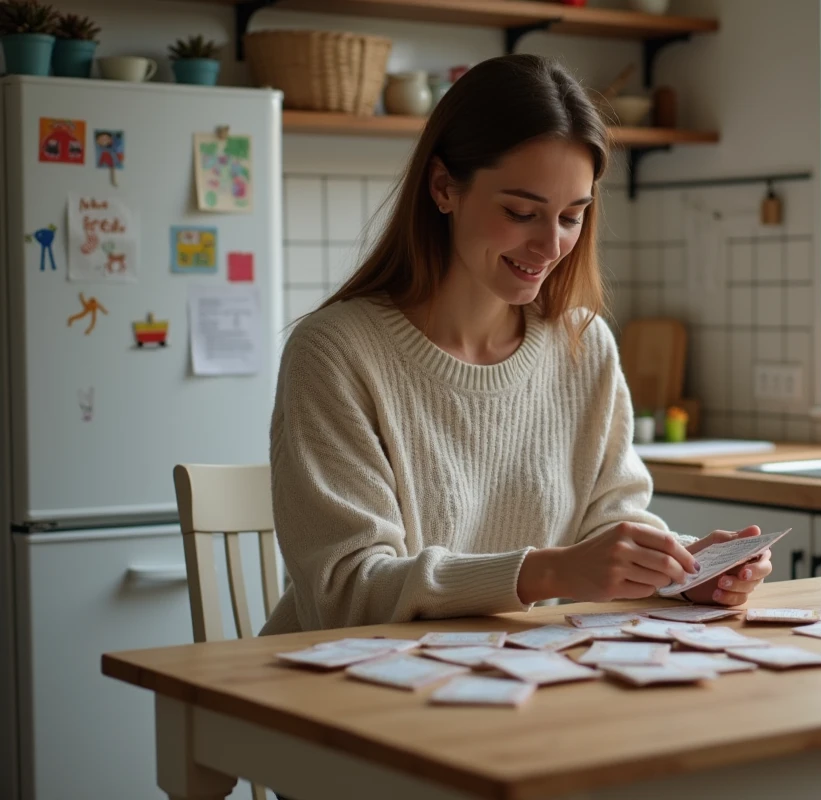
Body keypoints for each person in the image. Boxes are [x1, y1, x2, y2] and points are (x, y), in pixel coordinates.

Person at [260, 54, 772, 636]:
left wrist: (685, 569)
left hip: (517, 678)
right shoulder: (335, 353)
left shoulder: (584, 345)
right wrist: (546, 574)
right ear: (443, 187)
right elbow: (344, 592)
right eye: (521, 212)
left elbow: (610, 523)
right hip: (334, 695)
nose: (550, 245)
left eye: (572, 217)